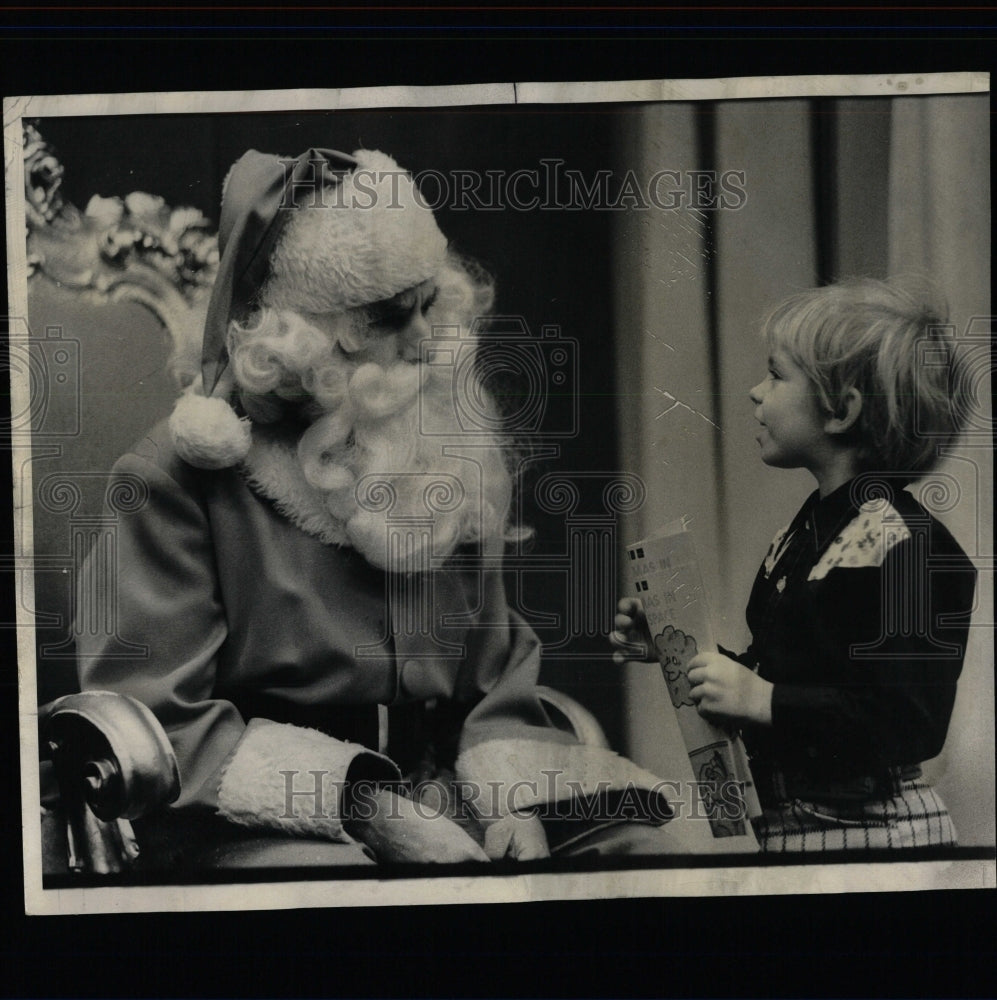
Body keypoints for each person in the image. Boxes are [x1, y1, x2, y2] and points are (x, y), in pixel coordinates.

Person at [76, 145, 676, 868]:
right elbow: (153, 714)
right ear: (298, 335)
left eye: (429, 303)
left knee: (639, 849)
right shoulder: (174, 479)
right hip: (253, 817)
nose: (426, 341)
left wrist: (515, 803)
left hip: (446, 789)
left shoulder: (437, 444)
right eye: (392, 316)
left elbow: (495, 675)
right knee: (339, 885)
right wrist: (362, 807)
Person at [612, 277, 976, 852]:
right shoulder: (807, 532)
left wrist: (761, 699)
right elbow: (785, 674)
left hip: (876, 837)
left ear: (842, 411)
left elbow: (911, 721)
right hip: (798, 827)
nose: (756, 392)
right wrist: (686, 654)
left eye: (777, 375)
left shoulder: (911, 548)